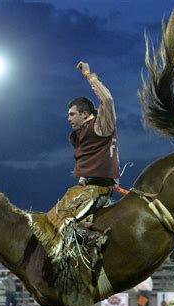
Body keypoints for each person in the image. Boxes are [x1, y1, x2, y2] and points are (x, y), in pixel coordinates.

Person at [44, 61, 121, 267]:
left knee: (62, 220)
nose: (68, 118)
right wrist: (83, 176)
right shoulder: (83, 133)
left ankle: (96, 241)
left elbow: (108, 100)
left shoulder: (101, 126)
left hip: (98, 190)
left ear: (85, 115)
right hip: (90, 186)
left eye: (72, 114)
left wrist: (89, 75)